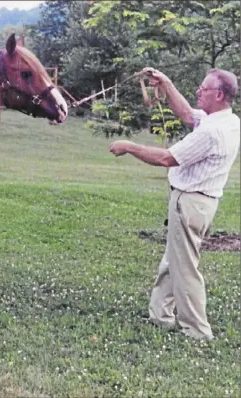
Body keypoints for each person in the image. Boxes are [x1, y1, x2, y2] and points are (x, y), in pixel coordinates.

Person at [109, 67, 240, 340]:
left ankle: (197, 331)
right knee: (173, 261)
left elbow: (167, 159)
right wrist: (166, 83)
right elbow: (186, 113)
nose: (197, 92)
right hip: (200, 203)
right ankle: (161, 316)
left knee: (185, 269)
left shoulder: (212, 132)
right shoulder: (227, 121)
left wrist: (130, 146)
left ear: (218, 94)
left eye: (202, 89)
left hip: (190, 203)